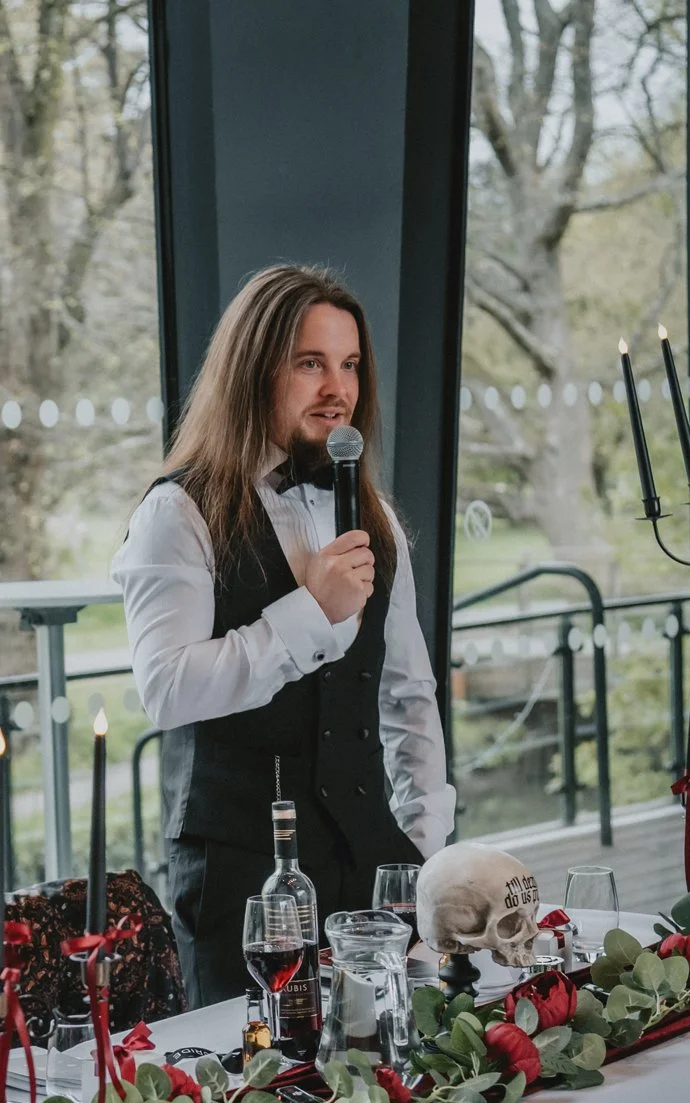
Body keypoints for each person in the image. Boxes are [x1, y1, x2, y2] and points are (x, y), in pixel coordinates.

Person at [112, 264, 456, 1006]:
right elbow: (166, 688)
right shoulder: (178, 514)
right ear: (253, 370)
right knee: (257, 1101)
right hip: (244, 888)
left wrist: (424, 848)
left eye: (350, 365)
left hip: (373, 870)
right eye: (310, 364)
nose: (338, 388)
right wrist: (308, 616)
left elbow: (408, 694)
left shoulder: (377, 519)